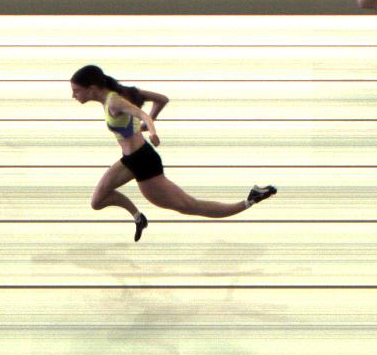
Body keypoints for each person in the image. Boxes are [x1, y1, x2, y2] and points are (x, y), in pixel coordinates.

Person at [70, 65, 276, 242]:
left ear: (92, 88)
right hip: (131, 160)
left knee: (189, 206)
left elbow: (142, 114)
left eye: (76, 91)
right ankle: (138, 217)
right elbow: (162, 99)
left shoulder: (115, 102)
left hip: (143, 162)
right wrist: (142, 128)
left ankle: (250, 200)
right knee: (97, 201)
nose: (73, 95)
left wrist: (151, 129)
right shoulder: (122, 93)